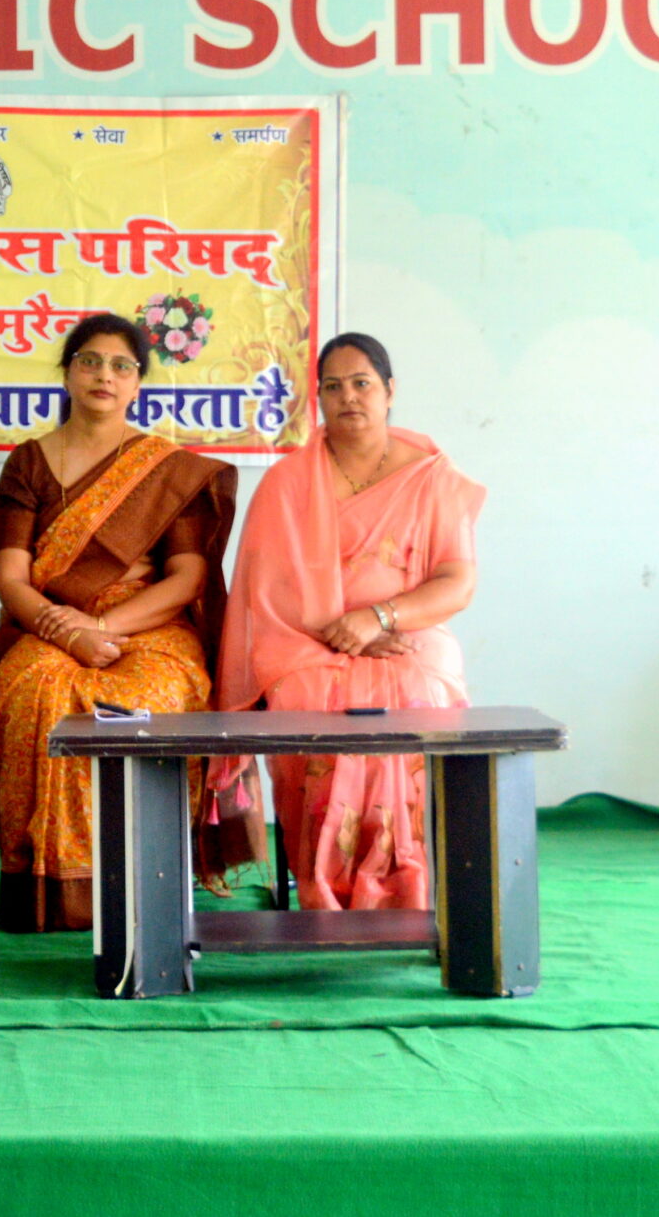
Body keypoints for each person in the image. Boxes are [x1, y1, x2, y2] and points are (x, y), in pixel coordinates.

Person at [0, 314, 256, 932]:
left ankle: (148, 873)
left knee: (149, 699)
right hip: (46, 624)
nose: (105, 374)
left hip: (147, 625)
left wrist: (103, 625)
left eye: (121, 366)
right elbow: (11, 577)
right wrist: (66, 631)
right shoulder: (29, 464)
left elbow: (187, 577)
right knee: (38, 691)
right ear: (67, 373)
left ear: (136, 384)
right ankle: (52, 887)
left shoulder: (166, 470)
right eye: (91, 361)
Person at [209, 332, 484, 913]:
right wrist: (341, 633)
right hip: (305, 642)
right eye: (333, 387)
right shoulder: (288, 482)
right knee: (308, 694)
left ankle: (408, 876)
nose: (348, 397)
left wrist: (379, 617)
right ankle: (323, 880)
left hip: (407, 634)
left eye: (362, 383)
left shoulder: (430, 477)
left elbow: (456, 581)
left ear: (390, 391)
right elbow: (264, 594)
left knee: (420, 687)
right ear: (318, 398)